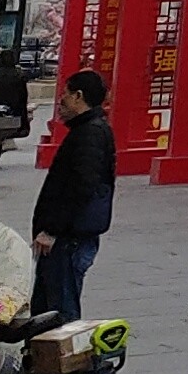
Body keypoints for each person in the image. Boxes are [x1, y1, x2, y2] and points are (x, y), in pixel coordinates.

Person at [31, 69, 118, 321]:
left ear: (78, 96)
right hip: (68, 236)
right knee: (47, 307)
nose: (61, 102)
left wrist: (52, 229)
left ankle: (62, 359)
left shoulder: (89, 133)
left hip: (69, 239)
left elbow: (80, 188)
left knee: (59, 311)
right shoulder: (88, 130)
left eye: (65, 95)